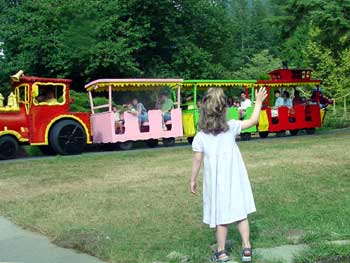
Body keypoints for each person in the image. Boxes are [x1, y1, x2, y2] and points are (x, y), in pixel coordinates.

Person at [190, 87, 267, 263]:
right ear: (224, 109)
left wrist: (192, 180)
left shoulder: (200, 136)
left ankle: (221, 252)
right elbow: (254, 120)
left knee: (220, 216)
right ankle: (246, 248)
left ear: (204, 111)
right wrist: (259, 102)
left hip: (216, 183)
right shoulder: (231, 126)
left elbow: (197, 161)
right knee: (240, 213)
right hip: (235, 179)